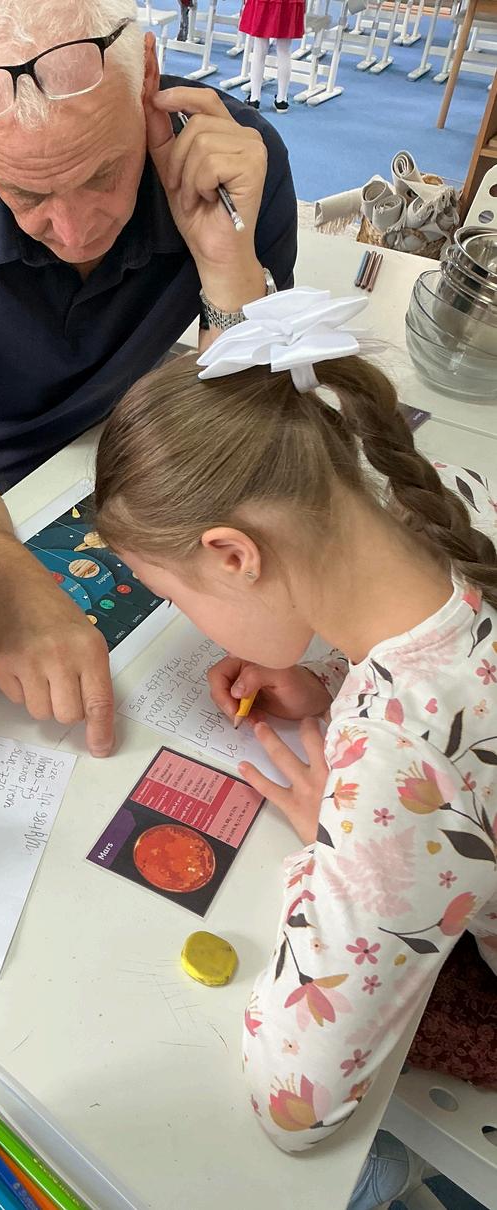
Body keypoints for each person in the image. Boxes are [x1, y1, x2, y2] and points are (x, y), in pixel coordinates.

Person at [94, 289, 497, 1165]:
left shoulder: (399, 762)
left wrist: (334, 845)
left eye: (177, 598)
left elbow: (297, 1106)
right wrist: (330, 680)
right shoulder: (447, 497)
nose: (193, 622)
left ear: (233, 554)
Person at [0, 0, 297, 763]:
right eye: (26, 195)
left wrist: (227, 264)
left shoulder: (233, 158)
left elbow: (240, 436)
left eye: (103, 174)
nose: (76, 229)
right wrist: (12, 583)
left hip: (88, 459)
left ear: (146, 75)